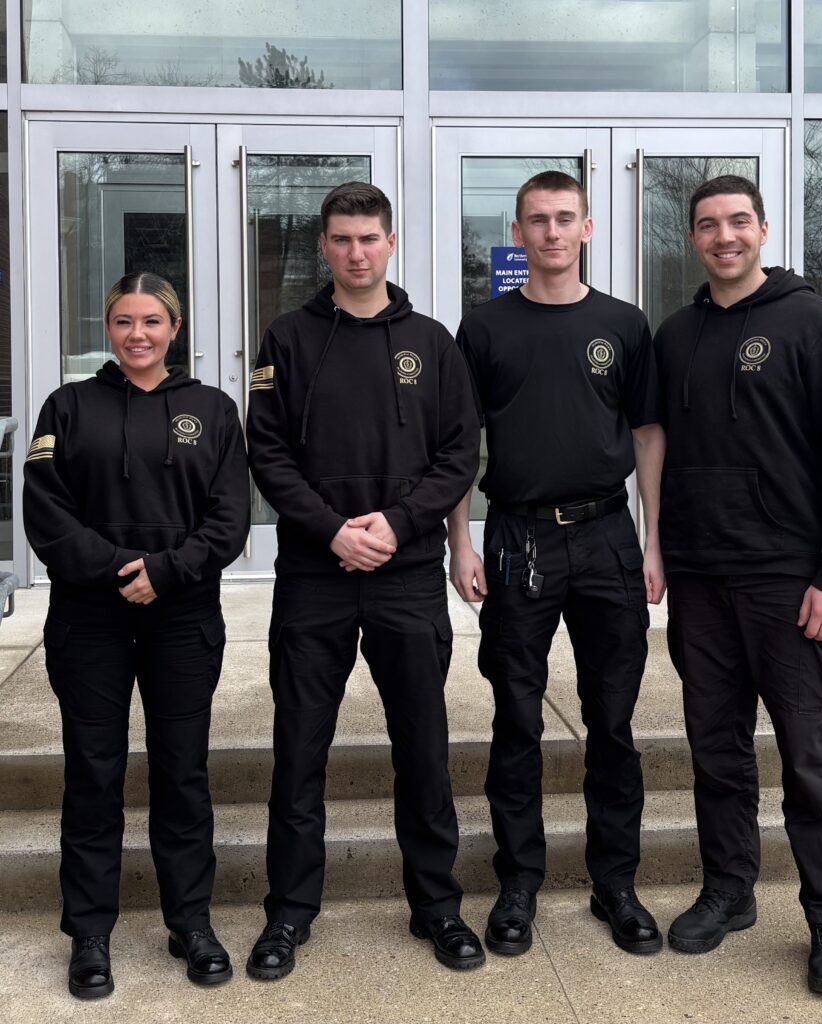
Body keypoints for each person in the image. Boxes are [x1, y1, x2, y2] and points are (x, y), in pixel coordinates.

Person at [245, 181, 484, 976]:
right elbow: (267, 453)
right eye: (342, 240)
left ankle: (438, 907)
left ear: (390, 243)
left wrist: (397, 524)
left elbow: (459, 453)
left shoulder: (432, 341)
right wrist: (332, 531)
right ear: (325, 247)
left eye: (368, 239)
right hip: (315, 577)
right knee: (299, 749)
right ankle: (288, 915)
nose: (356, 252)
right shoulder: (285, 339)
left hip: (406, 575)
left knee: (423, 748)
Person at [654, 175, 822, 996]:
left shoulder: (815, 322)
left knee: (813, 765)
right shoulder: (675, 336)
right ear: (692, 238)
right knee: (716, 754)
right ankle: (729, 891)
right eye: (708, 225)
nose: (724, 237)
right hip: (703, 585)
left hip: (794, 586)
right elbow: (661, 451)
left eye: (738, 222)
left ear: (764, 228)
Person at [448, 170, 666, 957]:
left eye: (564, 218)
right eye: (536, 221)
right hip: (517, 541)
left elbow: (647, 436)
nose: (550, 232)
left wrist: (652, 540)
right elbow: (457, 447)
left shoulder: (624, 324)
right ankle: (518, 884)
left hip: (608, 536)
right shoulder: (485, 329)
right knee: (516, 719)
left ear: (588, 228)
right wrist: (460, 542)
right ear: (517, 233)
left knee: (613, 721)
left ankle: (617, 884)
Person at [23, 272, 251, 998]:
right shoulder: (68, 406)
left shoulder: (212, 411)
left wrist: (166, 572)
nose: (138, 335)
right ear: (108, 327)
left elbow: (230, 518)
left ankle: (191, 922)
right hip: (89, 618)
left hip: (182, 617)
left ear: (174, 330)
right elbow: (45, 514)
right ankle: (89, 933)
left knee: (182, 773)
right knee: (93, 773)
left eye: (152, 322)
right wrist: (121, 569)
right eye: (124, 322)